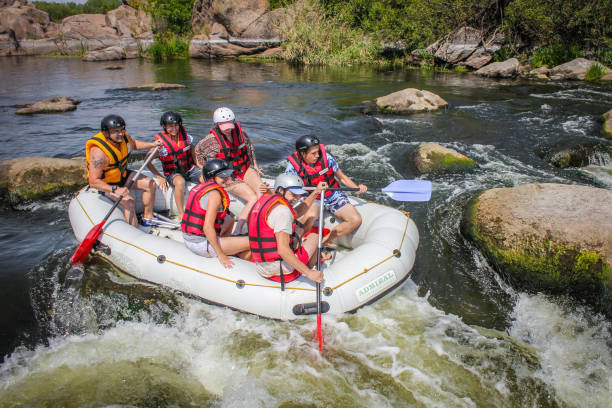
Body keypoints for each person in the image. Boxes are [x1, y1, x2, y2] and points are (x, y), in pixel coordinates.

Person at [286, 135, 367, 247]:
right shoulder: (292, 167)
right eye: (313, 153)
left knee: (355, 219)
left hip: (332, 194)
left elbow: (341, 176)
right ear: (303, 154)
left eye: (318, 151)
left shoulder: (326, 158)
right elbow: (289, 189)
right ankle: (295, 244)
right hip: (313, 196)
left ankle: (323, 242)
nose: (317, 155)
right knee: (310, 217)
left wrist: (357, 188)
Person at [247, 174, 329, 285]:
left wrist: (316, 192)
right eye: (293, 194)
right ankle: (310, 265)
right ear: (281, 190)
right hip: (280, 272)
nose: (296, 199)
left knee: (299, 229)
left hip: (262, 266)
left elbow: (298, 212)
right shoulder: (283, 212)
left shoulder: (267, 201)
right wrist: (309, 273)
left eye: (298, 195)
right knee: (314, 236)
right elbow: (283, 250)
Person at [194, 107, 265, 235]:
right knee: (253, 198)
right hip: (228, 176)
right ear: (217, 124)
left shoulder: (240, 133)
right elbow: (197, 152)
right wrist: (208, 171)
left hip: (245, 168)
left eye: (229, 125)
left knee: (262, 193)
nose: (228, 129)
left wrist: (255, 165)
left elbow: (250, 148)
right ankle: (239, 231)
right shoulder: (210, 141)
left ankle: (260, 224)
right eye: (223, 126)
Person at [86, 114, 161, 227]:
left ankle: (148, 217)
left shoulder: (124, 138)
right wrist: (115, 189)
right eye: (116, 131)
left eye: (122, 130)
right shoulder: (99, 154)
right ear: (106, 133)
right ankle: (134, 232)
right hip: (107, 184)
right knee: (128, 201)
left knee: (150, 183)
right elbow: (93, 181)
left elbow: (134, 144)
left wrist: (153, 144)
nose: (121, 134)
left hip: (122, 176)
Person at [181, 159, 250, 268]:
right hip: (201, 244)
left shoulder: (199, 188)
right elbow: (207, 228)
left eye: (227, 175)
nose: (227, 179)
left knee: (229, 218)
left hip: (189, 238)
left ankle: (228, 245)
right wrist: (221, 255)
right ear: (212, 177)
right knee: (252, 242)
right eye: (223, 176)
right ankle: (228, 251)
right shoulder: (214, 195)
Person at [146, 111, 201, 219]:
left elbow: (194, 156)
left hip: (189, 170)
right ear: (164, 126)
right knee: (180, 182)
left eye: (176, 125)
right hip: (173, 173)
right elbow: (147, 162)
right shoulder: (160, 144)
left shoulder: (187, 138)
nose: (174, 129)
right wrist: (159, 177)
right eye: (170, 126)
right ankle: (181, 214)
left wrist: (202, 168)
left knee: (207, 178)